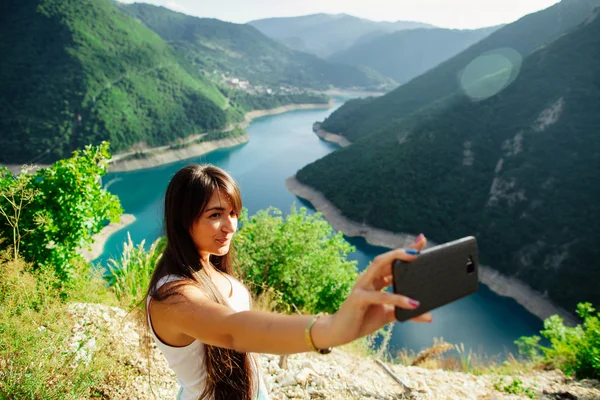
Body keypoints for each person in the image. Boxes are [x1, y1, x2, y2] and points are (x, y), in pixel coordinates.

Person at [145, 164, 432, 400]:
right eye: (215, 215)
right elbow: (233, 332)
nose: (231, 226)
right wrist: (331, 328)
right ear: (183, 220)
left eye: (233, 213)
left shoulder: (207, 265)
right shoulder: (173, 298)